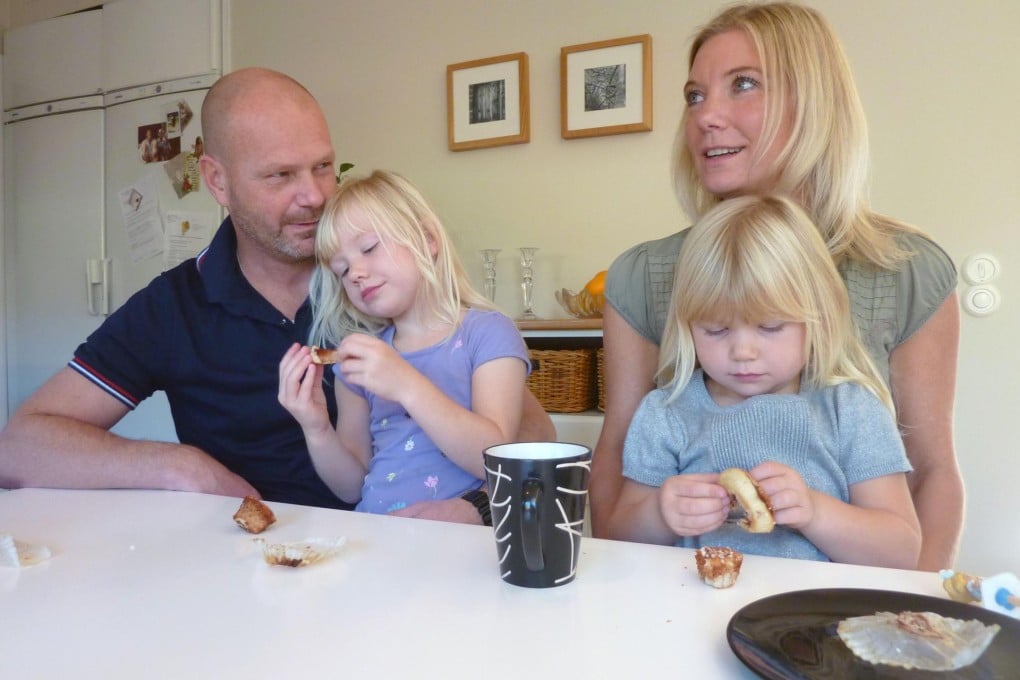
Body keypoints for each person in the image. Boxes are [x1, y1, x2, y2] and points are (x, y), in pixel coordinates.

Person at [0, 68, 554, 522]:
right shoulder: (173, 306)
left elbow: (531, 435)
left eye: (321, 167)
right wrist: (183, 467)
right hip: (249, 575)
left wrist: (476, 507)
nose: (313, 195)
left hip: (400, 554)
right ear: (217, 182)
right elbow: (20, 447)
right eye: (280, 175)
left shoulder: (385, 284)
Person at [589, 2, 962, 571]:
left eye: (742, 85)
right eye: (694, 95)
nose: (705, 116)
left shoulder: (908, 272)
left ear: (813, 103)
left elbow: (931, 470)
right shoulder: (641, 276)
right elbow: (619, 463)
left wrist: (908, 610)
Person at [611, 195, 920, 568]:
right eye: (716, 329)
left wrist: (816, 512)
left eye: (771, 326)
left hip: (814, 613)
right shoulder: (667, 413)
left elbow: (901, 551)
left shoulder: (850, 410)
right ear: (688, 326)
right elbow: (616, 539)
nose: (743, 351)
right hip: (687, 606)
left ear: (817, 318)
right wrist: (658, 515)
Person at [278, 170, 529, 514]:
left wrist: (406, 384)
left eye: (369, 248)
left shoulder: (488, 333)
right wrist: (316, 427)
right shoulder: (360, 361)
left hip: (459, 544)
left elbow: (496, 461)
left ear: (427, 239)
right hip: (376, 539)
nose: (356, 273)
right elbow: (351, 486)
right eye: (342, 270)